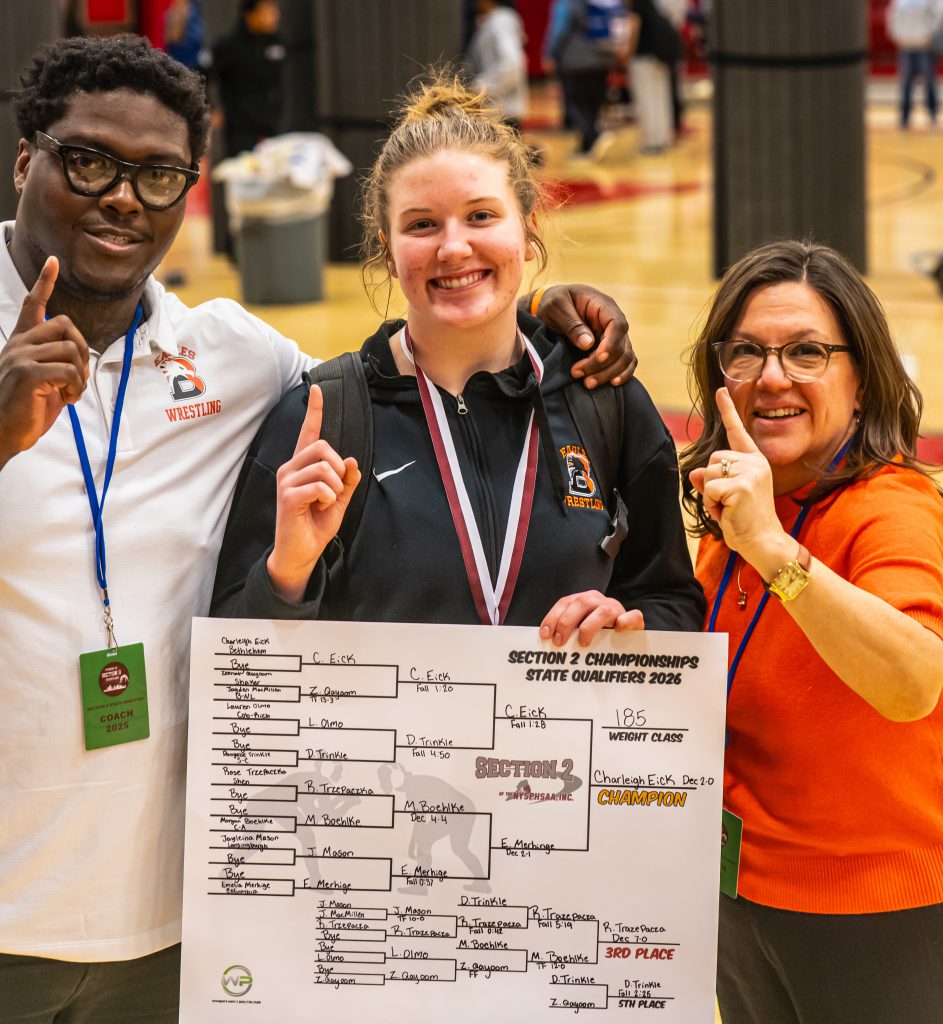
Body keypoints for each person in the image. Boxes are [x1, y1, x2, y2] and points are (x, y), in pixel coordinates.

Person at [0, 32, 640, 1024]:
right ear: (25, 158)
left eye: (160, 175)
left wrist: (533, 308)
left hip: (177, 924)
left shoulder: (232, 358)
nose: (123, 198)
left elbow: (414, 368)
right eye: (88, 161)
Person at [211, 75, 705, 654]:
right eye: (422, 224)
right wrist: (286, 575)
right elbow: (235, 667)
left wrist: (630, 625)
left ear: (528, 230)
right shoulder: (322, 421)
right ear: (387, 252)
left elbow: (673, 601)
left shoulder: (601, 397)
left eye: (481, 216)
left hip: (559, 743)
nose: (453, 248)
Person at [679, 240, 943, 1024]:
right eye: (746, 354)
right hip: (743, 896)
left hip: (872, 918)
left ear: (859, 380)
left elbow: (913, 684)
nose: (770, 377)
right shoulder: (741, 509)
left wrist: (771, 549)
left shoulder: (888, 506)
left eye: (805, 352)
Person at [544, 0, 628, 156]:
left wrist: (550, 53)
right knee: (593, 102)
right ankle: (587, 144)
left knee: (576, 103)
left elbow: (560, 30)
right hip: (604, 58)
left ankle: (593, 137)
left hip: (576, 60)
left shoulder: (567, 3)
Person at [207, 0, 285, 160]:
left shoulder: (277, 42)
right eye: (266, 10)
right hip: (241, 130)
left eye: (274, 10)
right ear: (250, 15)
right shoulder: (229, 45)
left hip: (272, 126)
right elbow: (203, 74)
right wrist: (209, 107)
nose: (274, 16)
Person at [467, 0, 529, 131]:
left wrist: (480, 86)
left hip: (504, 109)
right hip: (499, 108)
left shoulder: (499, 22)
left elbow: (512, 64)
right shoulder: (494, 21)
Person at [886, 0, 943, 129]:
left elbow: (939, 15)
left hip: (925, 46)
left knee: (929, 82)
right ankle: (904, 117)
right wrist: (898, 36)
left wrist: (928, 35)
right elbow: (892, 17)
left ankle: (932, 115)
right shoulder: (900, 2)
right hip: (906, 46)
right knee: (906, 83)